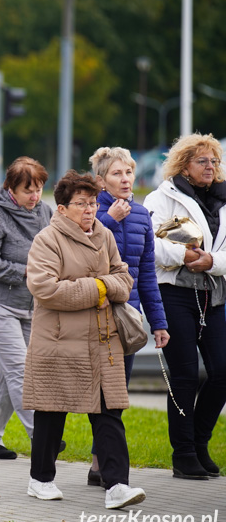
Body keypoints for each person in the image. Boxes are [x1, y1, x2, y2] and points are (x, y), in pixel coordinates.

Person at [25, 170, 145, 510]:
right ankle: (41, 480)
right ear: (62, 209)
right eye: (81, 204)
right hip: (60, 342)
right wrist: (99, 288)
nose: (89, 210)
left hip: (104, 342)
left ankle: (117, 485)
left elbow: (124, 276)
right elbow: (45, 288)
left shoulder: (104, 234)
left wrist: (109, 285)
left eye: (92, 202)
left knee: (110, 413)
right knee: (51, 412)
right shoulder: (47, 240)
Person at [143, 134, 226, 480]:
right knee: (185, 376)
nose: (211, 167)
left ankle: (200, 440)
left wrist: (212, 261)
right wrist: (185, 255)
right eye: (203, 161)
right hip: (175, 294)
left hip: (214, 293)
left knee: (222, 372)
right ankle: (184, 454)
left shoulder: (224, 200)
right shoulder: (161, 198)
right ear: (184, 166)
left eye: (215, 161)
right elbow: (152, 246)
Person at [89, 146, 169, 485]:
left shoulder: (141, 214)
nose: (125, 179)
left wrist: (159, 322)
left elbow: (147, 273)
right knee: (98, 395)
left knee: (117, 394)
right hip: (96, 314)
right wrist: (110, 220)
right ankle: (105, 468)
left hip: (129, 319)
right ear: (101, 180)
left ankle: (99, 464)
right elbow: (80, 248)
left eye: (129, 172)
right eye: (117, 174)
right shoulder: (90, 211)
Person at [0, 157, 52, 461]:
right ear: (10, 189)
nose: (35, 196)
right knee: (21, 369)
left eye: (39, 188)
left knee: (11, 374)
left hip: (30, 304)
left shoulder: (46, 211)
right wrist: (26, 271)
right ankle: (42, 436)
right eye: (27, 190)